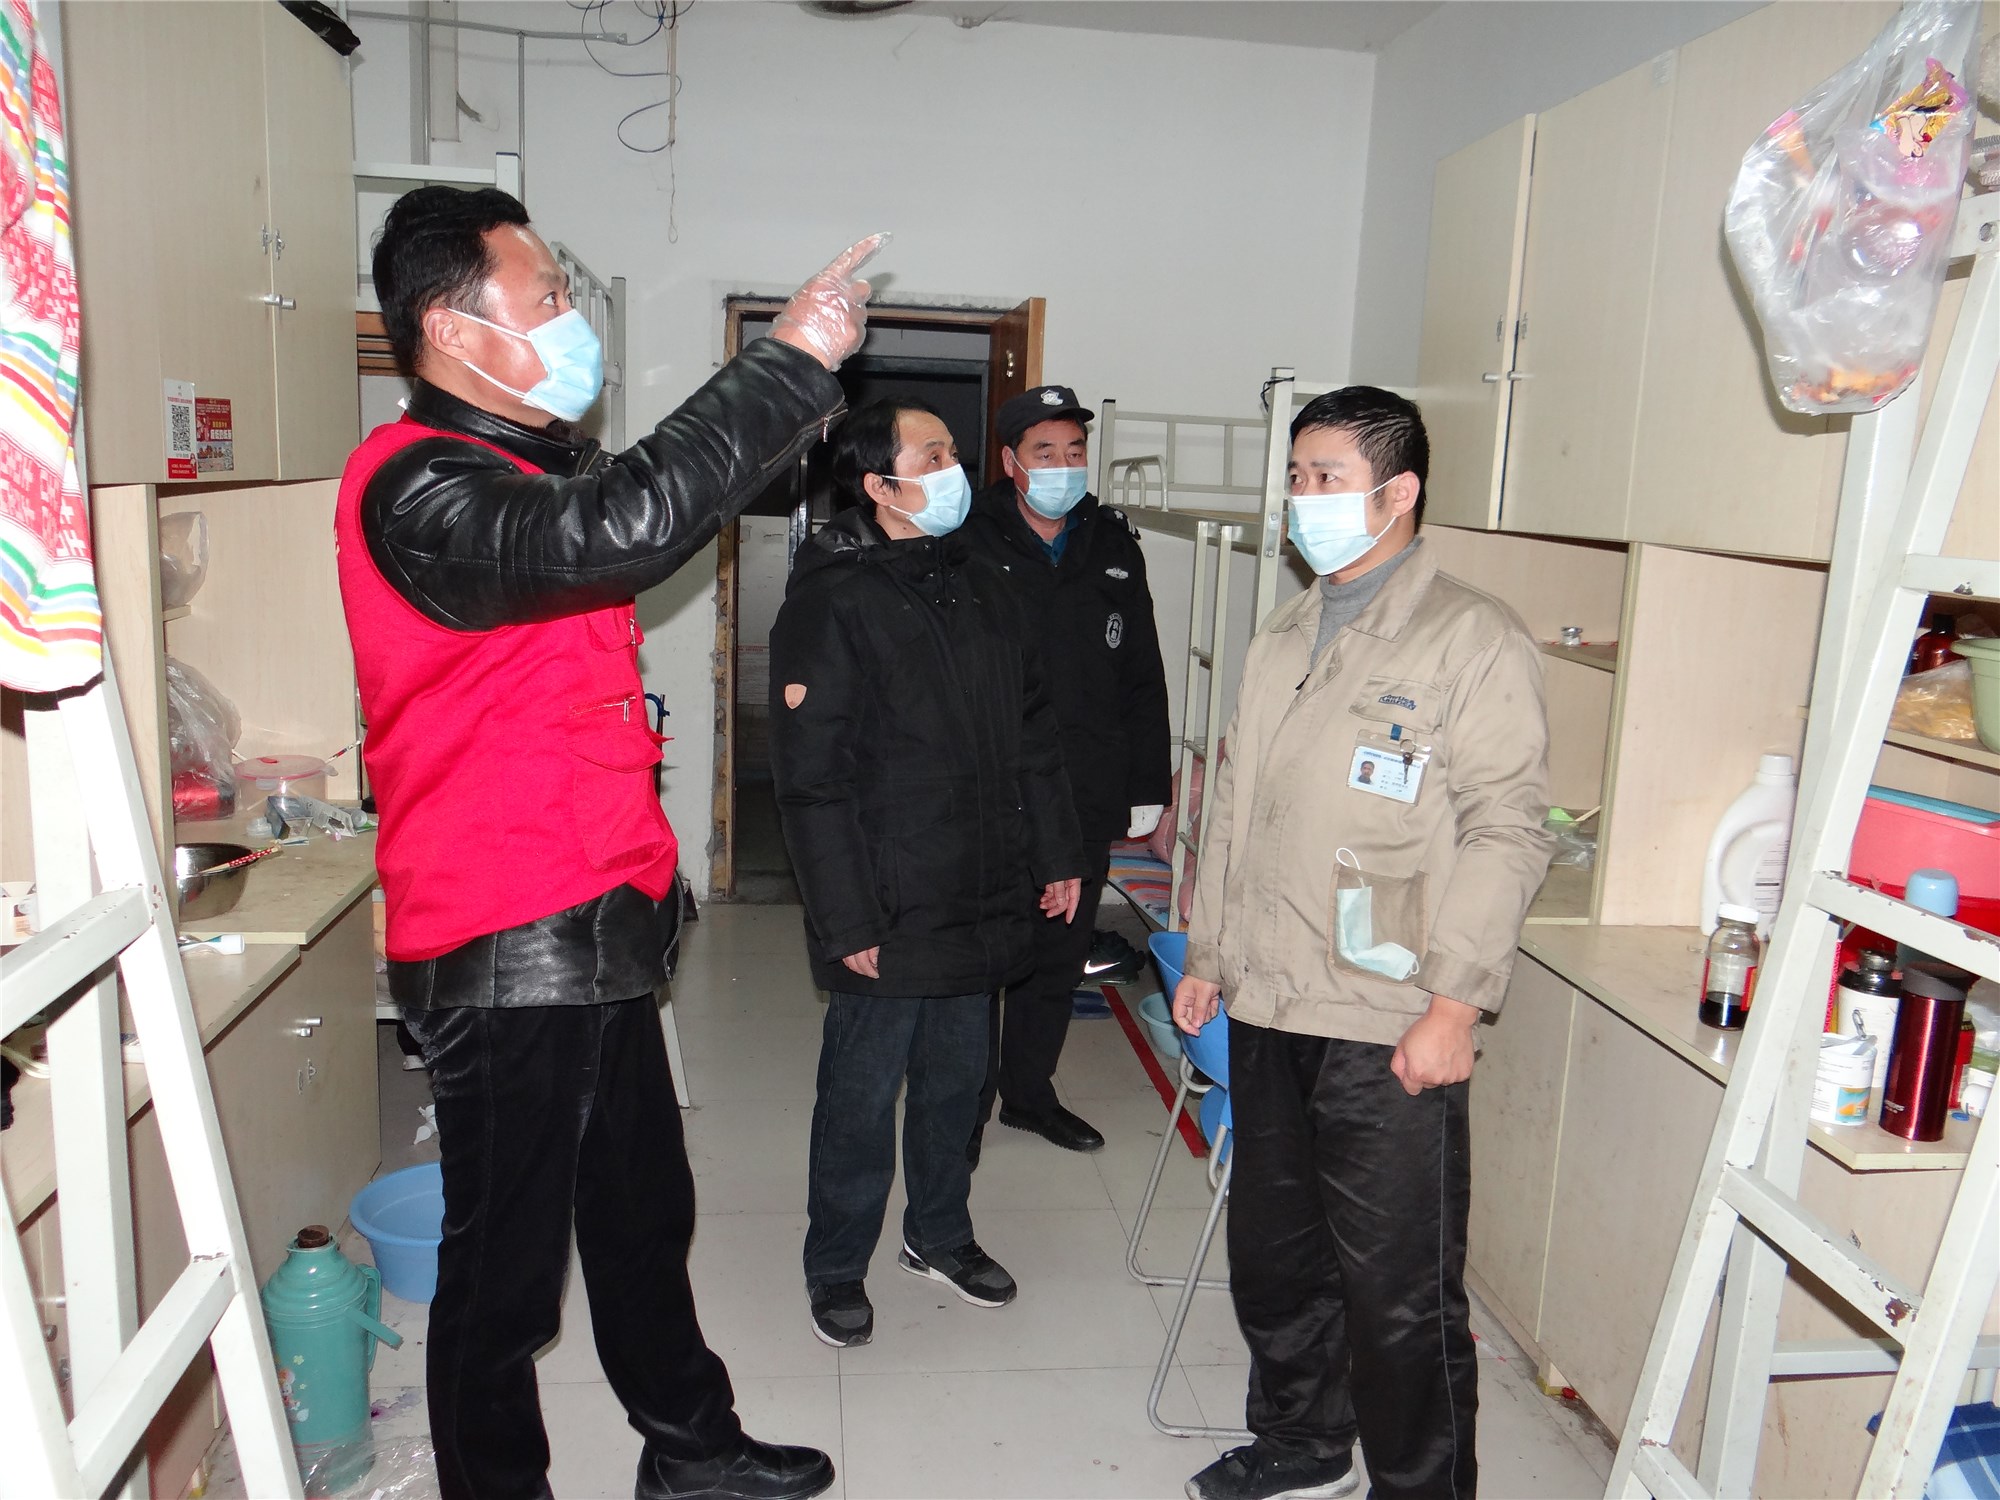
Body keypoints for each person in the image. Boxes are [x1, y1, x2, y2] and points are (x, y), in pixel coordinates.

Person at [337, 184, 879, 1500]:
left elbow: (635, 517)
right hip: (505, 934)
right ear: (453, 330)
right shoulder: (418, 488)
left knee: (641, 1210)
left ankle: (690, 1448)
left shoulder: (521, 471)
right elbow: (624, 526)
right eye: (546, 298)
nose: (569, 320)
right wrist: (784, 362)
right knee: (503, 1277)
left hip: (590, 918)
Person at [1172, 387, 1553, 1500]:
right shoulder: (1283, 631)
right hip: (1268, 996)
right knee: (1276, 1258)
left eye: (1326, 478)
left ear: (1398, 492)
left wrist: (1455, 1006)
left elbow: (1506, 828)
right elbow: (1238, 803)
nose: (1304, 499)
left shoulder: (1470, 637)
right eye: (1295, 477)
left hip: (1387, 1014)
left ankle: (1421, 1487)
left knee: (1398, 1288)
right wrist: (1208, 952)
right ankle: (1302, 1444)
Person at [769, 398, 1088, 1350]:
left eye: (951, 451)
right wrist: (845, 918)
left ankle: (939, 1235)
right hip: (889, 898)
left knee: (958, 1084)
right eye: (934, 454)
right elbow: (811, 781)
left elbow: (1034, 732)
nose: (955, 468)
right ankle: (836, 1264)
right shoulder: (832, 600)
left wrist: (1058, 851)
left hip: (983, 888)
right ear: (880, 485)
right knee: (862, 1097)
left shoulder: (983, 582)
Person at [960, 385, 1171, 1156]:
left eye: (1074, 452)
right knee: (982, 958)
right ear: (1010, 461)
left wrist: (1150, 788)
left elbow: (1142, 674)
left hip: (1084, 786)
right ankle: (962, 1108)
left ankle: (1029, 1094)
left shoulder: (1110, 543)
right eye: (1044, 452)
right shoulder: (963, 538)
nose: (1062, 465)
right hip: (990, 789)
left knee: (1058, 952)